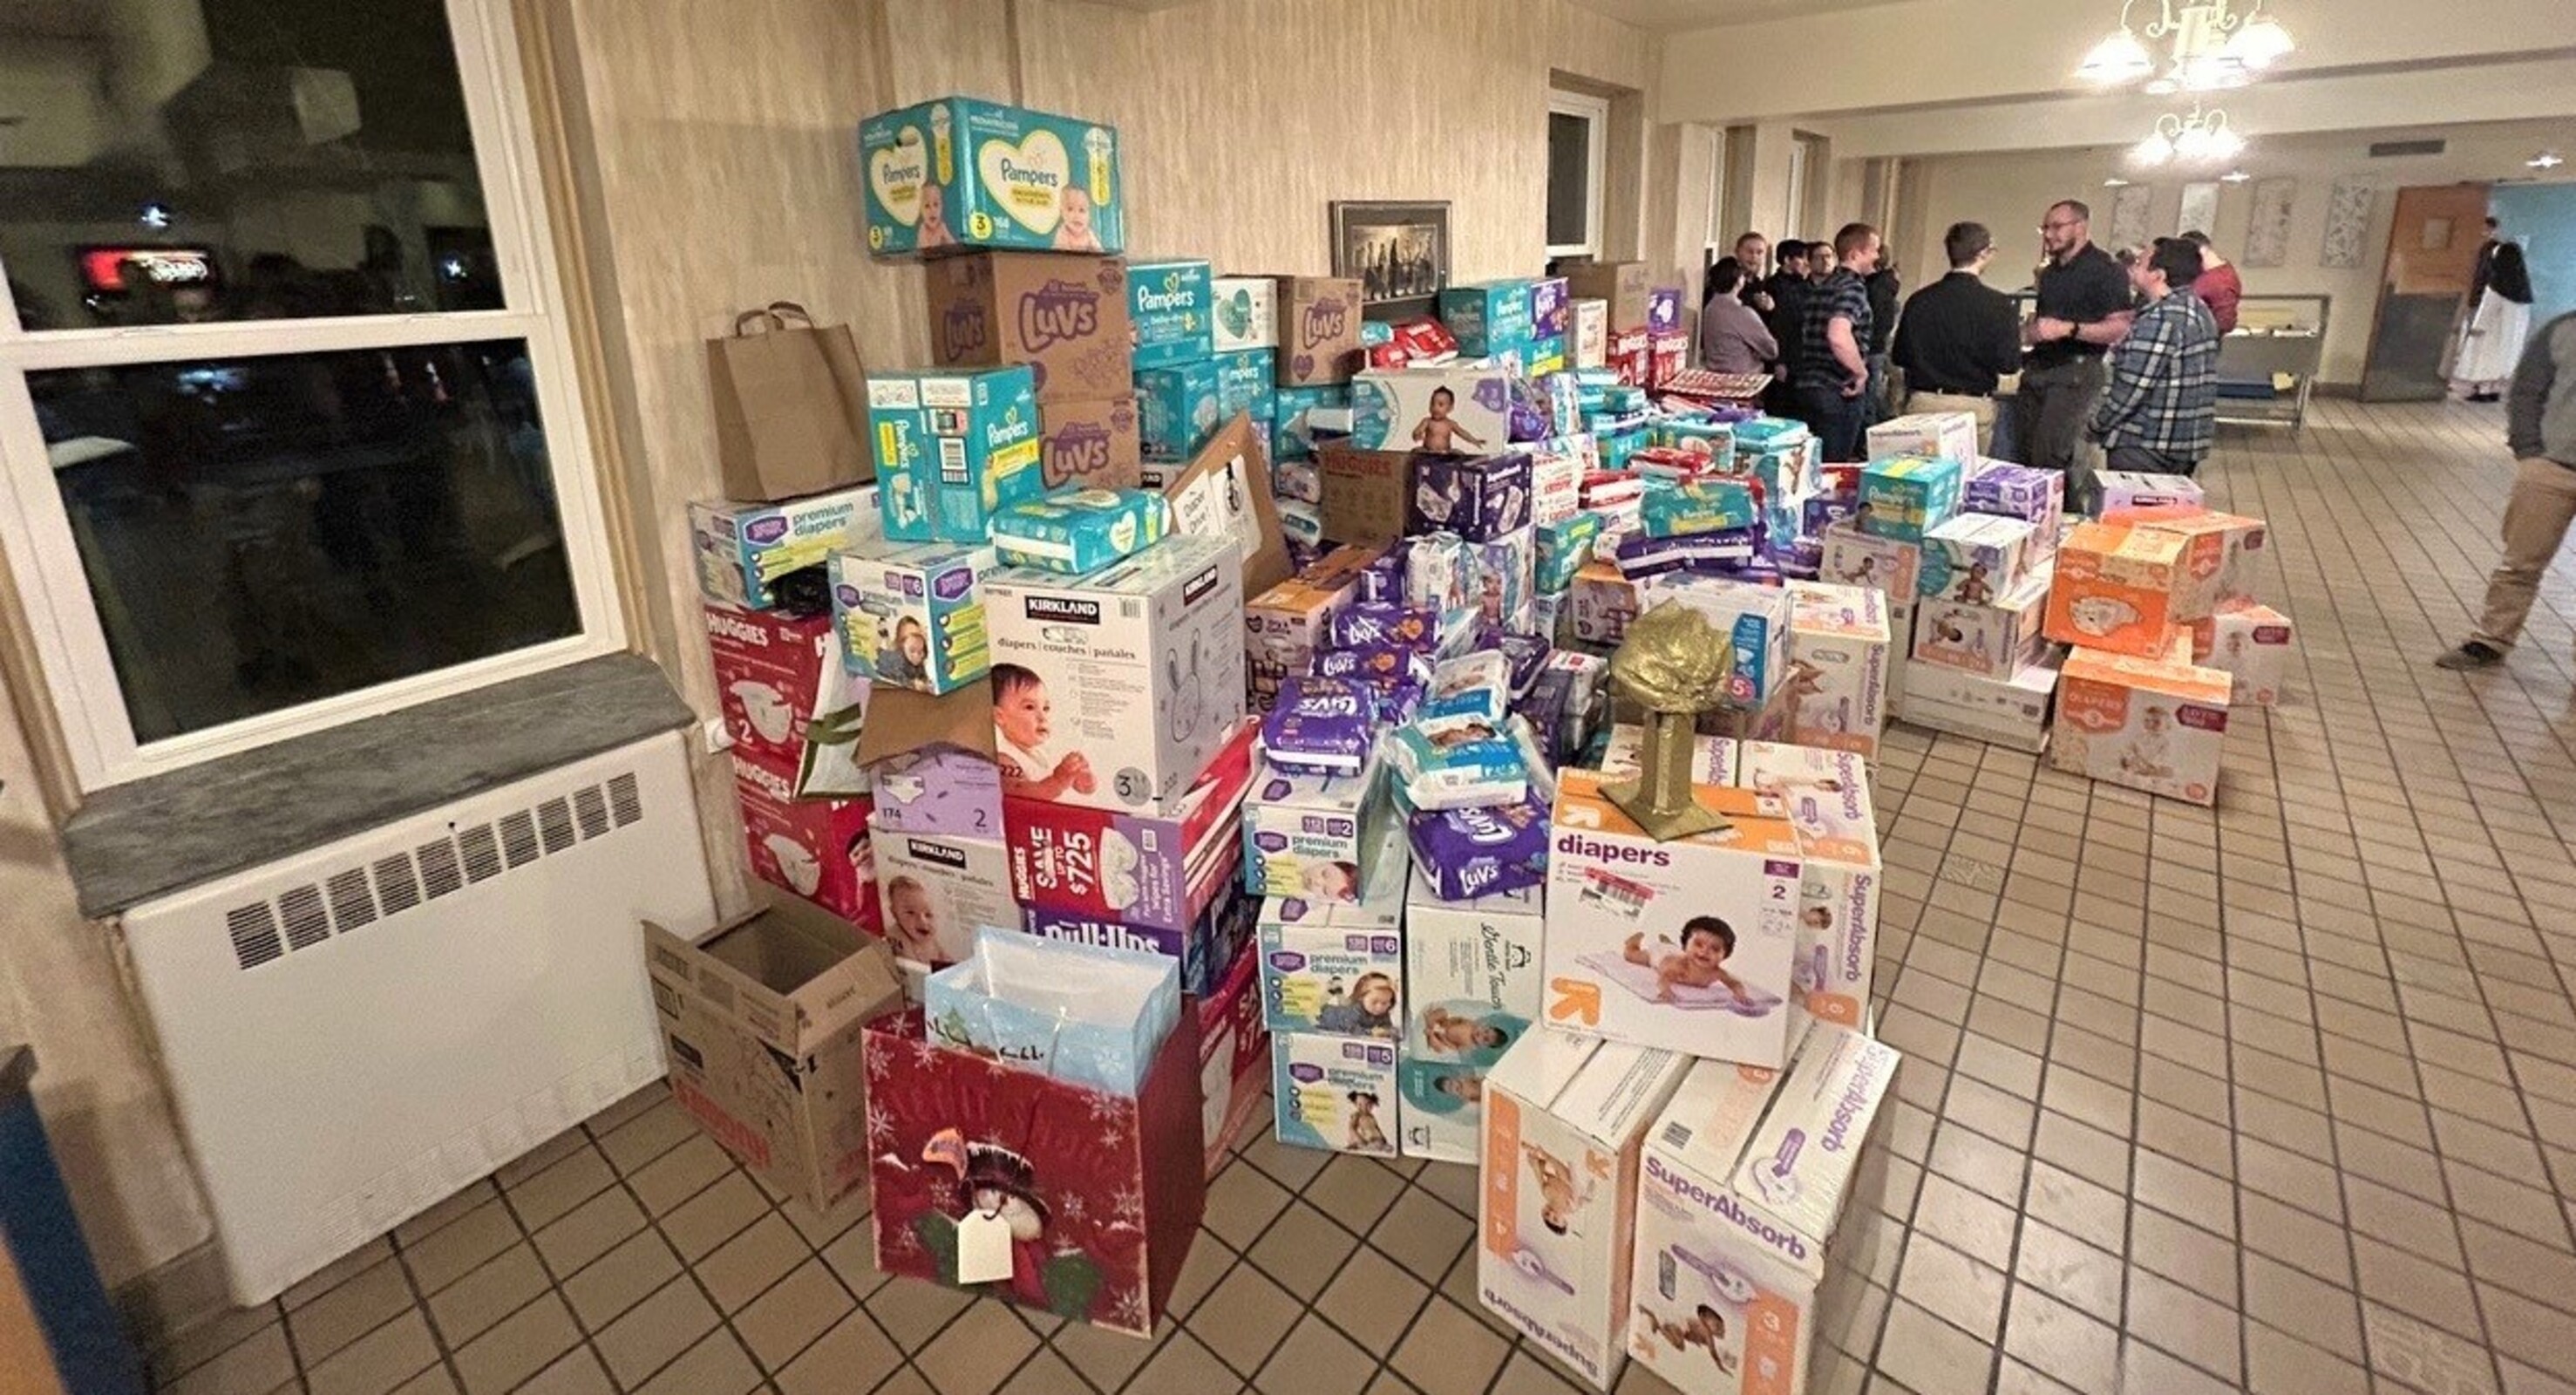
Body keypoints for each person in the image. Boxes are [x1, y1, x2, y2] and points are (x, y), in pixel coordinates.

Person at [2435, 309, 2576, 670]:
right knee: (2520, 564)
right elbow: (2527, 392)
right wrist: (2529, 451)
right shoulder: (2563, 330)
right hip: (2551, 469)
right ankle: (2491, 640)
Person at [2018, 200, 2136, 502]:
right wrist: (2032, 333)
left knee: (2052, 457)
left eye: (2057, 227)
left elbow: (2120, 327)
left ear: (2080, 227)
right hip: (2039, 368)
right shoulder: (2051, 273)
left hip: (2077, 371)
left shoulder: (2107, 270)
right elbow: (2046, 324)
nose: (2048, 235)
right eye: (2045, 228)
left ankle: (2067, 519)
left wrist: (2069, 329)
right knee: (2028, 458)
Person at [2085, 237, 2219, 484]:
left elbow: (2132, 388)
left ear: (2158, 275)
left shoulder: (2162, 318)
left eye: (2140, 262)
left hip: (2145, 443)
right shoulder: (2198, 309)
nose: (2133, 267)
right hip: (2183, 442)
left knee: (2134, 508)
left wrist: (2095, 425)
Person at [1892, 221, 2022, 444]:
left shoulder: (1920, 300)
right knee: (1969, 466)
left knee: (1918, 466)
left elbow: (1900, 356)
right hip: (1972, 407)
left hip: (1924, 403)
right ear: (1983, 253)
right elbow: (2008, 364)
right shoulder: (1999, 305)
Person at [1793, 222, 1880, 461]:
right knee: (1833, 470)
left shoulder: (1822, 286)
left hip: (1807, 386)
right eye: (1873, 250)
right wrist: (1861, 372)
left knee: (1807, 467)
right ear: (1855, 254)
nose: (1877, 256)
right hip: (1838, 390)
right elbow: (1838, 335)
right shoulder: (1852, 288)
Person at [2455, 221, 2533, 403]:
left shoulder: (2497, 286)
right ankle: (2493, 390)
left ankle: (2483, 390)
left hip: (2489, 334)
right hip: (2508, 339)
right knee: (2502, 360)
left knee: (2484, 359)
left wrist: (2476, 327)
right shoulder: (2522, 292)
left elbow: (2486, 311)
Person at [1696, 260, 1779, 373]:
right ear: (1739, 280)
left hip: (1714, 374)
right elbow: (1771, 350)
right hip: (1742, 377)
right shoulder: (1742, 313)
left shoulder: (1709, 308)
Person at [2180, 230, 2241, 335]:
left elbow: (2225, 323)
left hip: (2200, 337)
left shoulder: (2221, 282)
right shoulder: (2213, 274)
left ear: (2202, 251)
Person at [1865, 255, 1900, 421]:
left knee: (1871, 390)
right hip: (1882, 342)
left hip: (1872, 344)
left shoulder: (1873, 287)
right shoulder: (1887, 287)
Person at [1731, 232, 1773, 313]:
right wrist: (1752, 299)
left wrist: (1771, 308)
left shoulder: (1766, 286)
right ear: (1737, 252)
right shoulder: (1726, 283)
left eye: (1759, 252)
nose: (1754, 256)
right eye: (1749, 251)